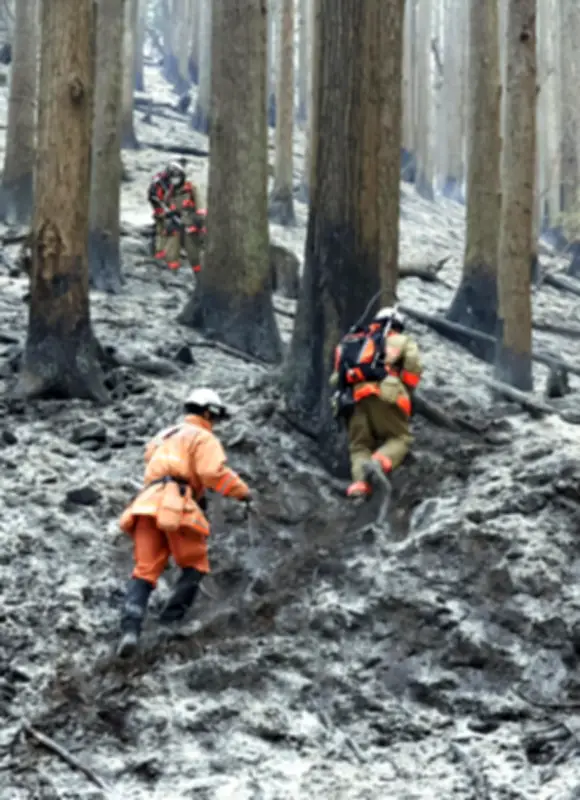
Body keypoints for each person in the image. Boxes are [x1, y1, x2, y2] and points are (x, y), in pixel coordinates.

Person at [116, 388, 252, 658]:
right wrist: (243, 492)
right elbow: (211, 473)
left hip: (146, 504)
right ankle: (169, 622)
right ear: (207, 412)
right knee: (195, 564)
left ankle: (130, 629)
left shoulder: (163, 436)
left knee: (144, 571)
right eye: (214, 417)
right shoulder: (203, 437)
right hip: (177, 504)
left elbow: (151, 462)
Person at [330, 306, 422, 499]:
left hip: (352, 400)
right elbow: (413, 368)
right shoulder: (401, 340)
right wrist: (405, 386)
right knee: (400, 438)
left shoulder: (350, 342)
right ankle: (378, 463)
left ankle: (359, 485)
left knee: (359, 446)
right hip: (386, 395)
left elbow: (336, 378)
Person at [147, 161, 207, 274]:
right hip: (175, 226)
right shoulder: (168, 191)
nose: (175, 181)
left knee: (194, 253)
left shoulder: (191, 188)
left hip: (191, 225)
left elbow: (201, 207)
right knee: (170, 252)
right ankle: (170, 272)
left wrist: (200, 223)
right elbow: (163, 206)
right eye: (172, 178)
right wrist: (167, 216)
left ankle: (200, 275)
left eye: (177, 178)